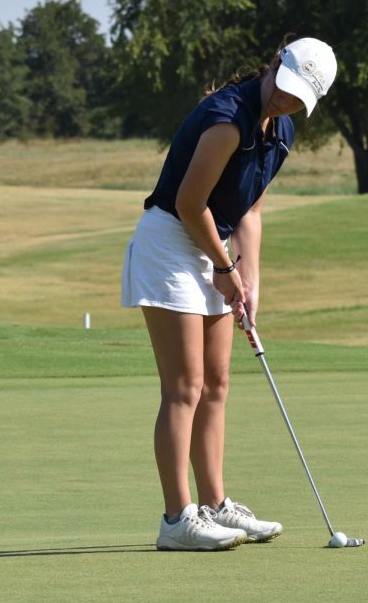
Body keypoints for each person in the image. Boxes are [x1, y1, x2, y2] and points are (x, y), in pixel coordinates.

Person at [121, 37, 338, 551]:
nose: (285, 101)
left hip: (214, 245)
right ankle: (178, 519)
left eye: (297, 99)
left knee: (217, 383)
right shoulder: (227, 119)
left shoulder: (279, 131)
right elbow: (189, 201)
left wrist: (250, 281)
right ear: (274, 64)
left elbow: (250, 212)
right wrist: (225, 268)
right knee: (185, 387)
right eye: (284, 89)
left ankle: (216, 506)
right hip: (172, 242)